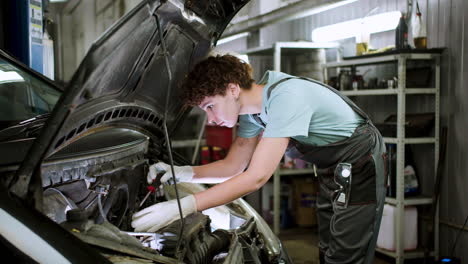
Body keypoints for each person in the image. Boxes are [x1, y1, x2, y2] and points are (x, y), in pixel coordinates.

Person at [131, 54, 387, 264]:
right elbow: (234, 166)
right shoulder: (253, 113)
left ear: (232, 89)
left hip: (360, 163)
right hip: (333, 169)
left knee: (347, 254)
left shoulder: (286, 98)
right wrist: (184, 172)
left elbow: (256, 177)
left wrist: (185, 206)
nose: (210, 119)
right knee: (329, 246)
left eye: (210, 106)